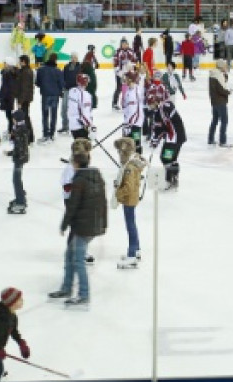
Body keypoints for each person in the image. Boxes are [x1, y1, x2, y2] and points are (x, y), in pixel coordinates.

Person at [50, 151, 107, 307]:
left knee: (77, 260)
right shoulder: (96, 177)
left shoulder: (79, 180)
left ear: (76, 164)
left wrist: (64, 225)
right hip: (93, 224)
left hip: (83, 226)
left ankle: (83, 294)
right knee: (69, 254)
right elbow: (103, 203)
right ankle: (67, 288)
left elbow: (72, 206)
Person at [112, 138, 147, 268]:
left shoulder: (130, 168)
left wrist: (117, 193)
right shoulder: (133, 162)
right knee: (132, 224)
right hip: (132, 198)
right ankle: (136, 250)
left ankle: (131, 255)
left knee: (130, 226)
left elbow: (128, 187)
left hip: (129, 199)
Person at [146, 85, 186, 190]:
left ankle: (170, 181)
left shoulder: (163, 108)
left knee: (165, 158)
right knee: (171, 159)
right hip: (179, 137)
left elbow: (159, 128)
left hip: (174, 138)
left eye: (151, 104)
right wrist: (155, 139)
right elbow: (160, 127)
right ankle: (173, 180)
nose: (150, 106)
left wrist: (155, 140)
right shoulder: (163, 108)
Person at [3, 110, 31, 214]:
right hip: (21, 157)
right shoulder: (20, 129)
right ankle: (20, 197)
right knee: (17, 179)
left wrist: (11, 154)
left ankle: (21, 201)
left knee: (16, 180)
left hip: (19, 159)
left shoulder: (19, 130)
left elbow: (19, 147)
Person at [35, 53, 64, 144]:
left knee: (45, 115)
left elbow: (37, 82)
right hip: (55, 94)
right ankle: (51, 134)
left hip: (45, 94)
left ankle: (45, 134)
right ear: (56, 60)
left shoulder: (41, 70)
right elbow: (62, 84)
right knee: (54, 115)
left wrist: (43, 86)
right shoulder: (58, 71)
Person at [208, 60, 232, 148]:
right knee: (224, 121)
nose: (226, 67)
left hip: (214, 101)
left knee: (214, 120)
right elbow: (221, 89)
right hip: (220, 102)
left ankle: (210, 139)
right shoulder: (218, 76)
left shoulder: (214, 74)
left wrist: (225, 73)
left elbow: (224, 81)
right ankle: (222, 141)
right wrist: (228, 92)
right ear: (221, 66)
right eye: (225, 66)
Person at [112, 38, 137, 110]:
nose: (124, 45)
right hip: (120, 73)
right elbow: (115, 62)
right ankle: (114, 103)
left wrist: (133, 68)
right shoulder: (117, 52)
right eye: (123, 44)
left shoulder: (131, 51)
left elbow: (135, 60)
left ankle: (128, 102)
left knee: (130, 87)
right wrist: (118, 72)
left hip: (129, 73)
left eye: (125, 44)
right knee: (119, 88)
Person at [15, 55, 36, 143]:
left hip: (24, 98)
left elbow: (24, 88)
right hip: (25, 98)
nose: (19, 62)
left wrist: (20, 101)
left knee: (25, 117)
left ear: (23, 62)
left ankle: (29, 137)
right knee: (25, 117)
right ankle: (28, 136)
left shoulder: (26, 72)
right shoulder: (25, 71)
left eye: (20, 61)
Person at [68, 74, 95, 139]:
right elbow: (84, 113)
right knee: (84, 147)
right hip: (81, 126)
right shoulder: (85, 95)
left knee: (78, 147)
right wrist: (90, 125)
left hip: (72, 125)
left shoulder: (71, 91)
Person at [61, 53, 81, 134]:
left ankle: (75, 126)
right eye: (72, 58)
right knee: (64, 109)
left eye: (75, 58)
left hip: (76, 91)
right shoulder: (66, 67)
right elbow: (62, 77)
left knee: (75, 109)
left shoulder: (80, 67)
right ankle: (65, 126)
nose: (74, 59)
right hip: (67, 90)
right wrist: (63, 86)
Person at [0, 57, 17, 139]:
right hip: (7, 96)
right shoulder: (7, 73)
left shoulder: (9, 74)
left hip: (8, 97)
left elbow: (8, 87)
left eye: (5, 63)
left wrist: (3, 96)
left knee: (9, 115)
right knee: (8, 115)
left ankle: (11, 131)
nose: (4, 65)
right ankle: (10, 130)